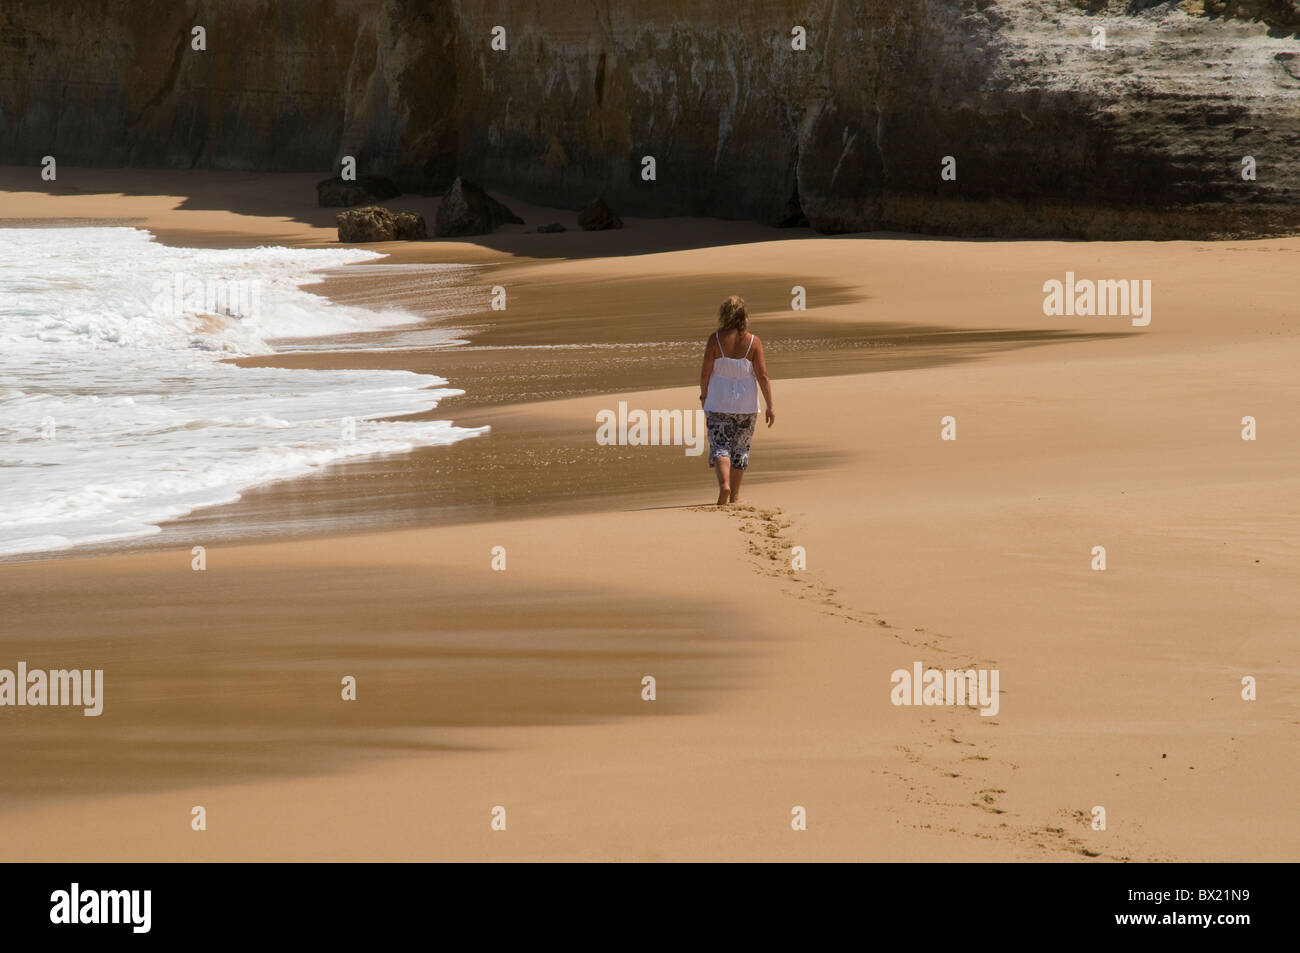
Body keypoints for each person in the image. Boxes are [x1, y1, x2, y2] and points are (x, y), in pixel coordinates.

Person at [699, 295, 774, 505]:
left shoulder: (715, 339)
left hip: (718, 402)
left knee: (720, 446)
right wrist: (770, 406)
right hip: (746, 405)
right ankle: (736, 496)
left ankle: (724, 486)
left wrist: (704, 396)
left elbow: (705, 373)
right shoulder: (753, 341)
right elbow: (763, 375)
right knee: (740, 449)